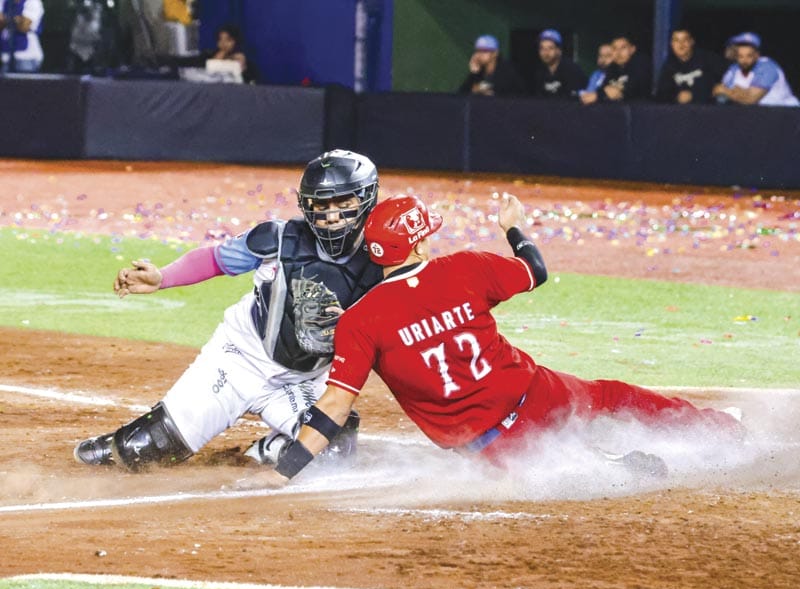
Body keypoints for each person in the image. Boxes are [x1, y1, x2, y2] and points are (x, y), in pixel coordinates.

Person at [231, 194, 743, 489]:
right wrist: (513, 225)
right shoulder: (466, 268)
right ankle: (717, 429)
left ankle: (609, 468)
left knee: (559, 470)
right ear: (419, 241)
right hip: (537, 392)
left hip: (488, 445)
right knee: (608, 397)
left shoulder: (362, 320)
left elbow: (334, 406)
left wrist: (290, 468)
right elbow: (535, 271)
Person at [74, 149, 384, 471]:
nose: (332, 215)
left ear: (366, 199)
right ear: (306, 205)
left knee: (332, 452)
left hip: (302, 380)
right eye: (321, 205)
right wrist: (163, 277)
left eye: (343, 203)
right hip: (239, 359)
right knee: (142, 450)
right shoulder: (277, 239)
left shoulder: (383, 263)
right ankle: (124, 444)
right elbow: (214, 260)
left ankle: (270, 449)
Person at [713, 32, 799, 107]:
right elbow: (720, 97)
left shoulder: (767, 66)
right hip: (760, 115)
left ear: (757, 54)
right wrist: (735, 93)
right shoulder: (733, 69)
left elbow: (751, 99)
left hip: (787, 112)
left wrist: (730, 93)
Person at [655, 28, 727, 104]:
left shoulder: (706, 58)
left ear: (691, 42)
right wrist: (677, 97)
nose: (681, 44)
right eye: (676, 40)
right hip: (681, 112)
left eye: (685, 40)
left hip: (710, 109)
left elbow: (730, 74)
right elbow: (660, 94)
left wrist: (717, 89)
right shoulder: (669, 65)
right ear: (671, 44)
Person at [581, 35, 651, 104]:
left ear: (632, 49)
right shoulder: (613, 67)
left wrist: (602, 95)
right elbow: (603, 89)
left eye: (623, 48)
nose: (618, 52)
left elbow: (630, 89)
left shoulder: (640, 62)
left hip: (640, 110)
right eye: (614, 48)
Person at [458, 34, 525, 97]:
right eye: (478, 51)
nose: (479, 54)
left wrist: (482, 90)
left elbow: (515, 95)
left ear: (495, 53)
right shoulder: (478, 71)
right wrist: (474, 73)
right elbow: (461, 95)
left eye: (485, 51)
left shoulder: (507, 69)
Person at [530, 29, 586, 99]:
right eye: (542, 48)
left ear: (559, 51)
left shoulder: (572, 70)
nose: (546, 53)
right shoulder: (540, 72)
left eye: (550, 48)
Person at [0, 0, 43, 73]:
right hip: (5, 58)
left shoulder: (32, 1)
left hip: (27, 58)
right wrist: (15, 19)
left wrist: (5, 19)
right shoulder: (3, 1)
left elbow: (24, 26)